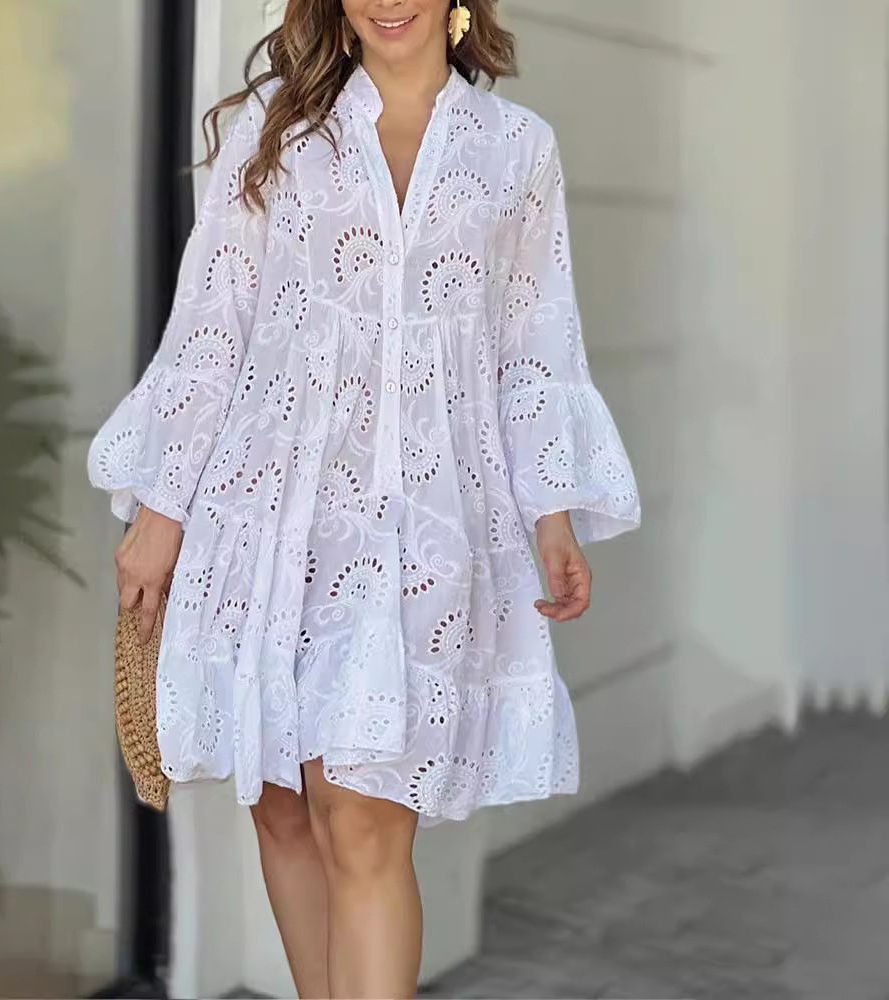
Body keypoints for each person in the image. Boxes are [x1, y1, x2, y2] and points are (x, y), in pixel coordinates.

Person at [88, 1, 640, 996]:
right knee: (283, 808)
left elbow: (534, 345)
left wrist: (551, 510)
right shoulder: (277, 127)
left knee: (367, 817)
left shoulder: (516, 148)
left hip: (427, 529)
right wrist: (161, 511)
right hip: (264, 514)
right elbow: (212, 326)